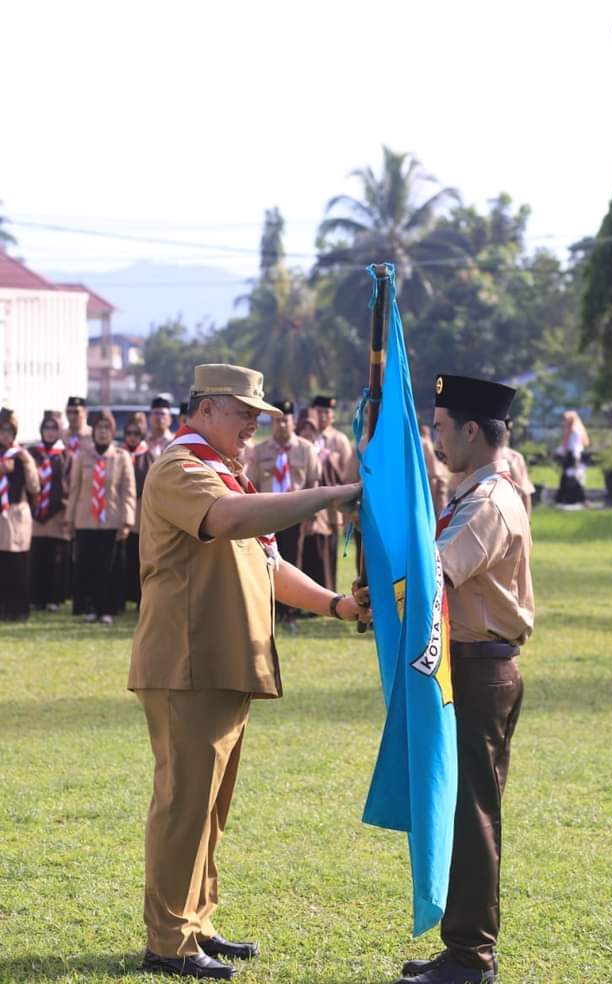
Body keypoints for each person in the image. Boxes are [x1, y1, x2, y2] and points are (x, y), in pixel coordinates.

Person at [127, 363, 368, 980]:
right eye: (244, 414)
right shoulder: (181, 468)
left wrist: (336, 605)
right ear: (204, 409)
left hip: (221, 661)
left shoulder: (222, 474)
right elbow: (231, 522)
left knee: (209, 805)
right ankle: (169, 941)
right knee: (185, 803)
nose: (253, 428)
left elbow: (271, 567)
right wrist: (333, 496)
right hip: (189, 661)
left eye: (259, 418)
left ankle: (196, 922)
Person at [394, 374, 534, 984]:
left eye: (442, 427)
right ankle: (465, 947)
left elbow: (436, 577)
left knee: (473, 813)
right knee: (462, 809)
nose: (436, 438)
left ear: (473, 431)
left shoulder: (487, 502)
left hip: (481, 671)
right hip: (468, 667)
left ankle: (471, 955)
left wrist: (383, 593)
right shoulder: (475, 494)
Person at [246, 400, 321, 629]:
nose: (281, 426)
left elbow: (313, 483)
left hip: (296, 515)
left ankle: (290, 614)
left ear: (293, 422)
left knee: (293, 563)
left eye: (285, 421)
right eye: (277, 421)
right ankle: (271, 610)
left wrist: (313, 516)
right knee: (267, 563)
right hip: (269, 517)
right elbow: (254, 484)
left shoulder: (306, 449)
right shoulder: (260, 450)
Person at [65, 409, 136, 625]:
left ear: (113, 431)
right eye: (99, 428)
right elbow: (75, 488)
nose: (103, 432)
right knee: (87, 566)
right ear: (93, 431)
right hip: (86, 520)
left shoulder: (121, 457)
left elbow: (128, 490)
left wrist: (127, 521)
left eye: (107, 428)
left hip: (111, 520)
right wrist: (70, 519)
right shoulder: (82, 456)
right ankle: (90, 608)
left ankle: (108, 610)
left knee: (109, 568)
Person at [29, 411, 73, 611]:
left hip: (58, 514)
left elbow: (72, 483)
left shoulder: (66, 455)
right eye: (47, 427)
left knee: (56, 560)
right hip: (35, 515)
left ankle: (53, 599)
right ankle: (36, 597)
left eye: (54, 428)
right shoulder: (32, 453)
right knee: (36, 557)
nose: (50, 432)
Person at [0, 408, 40, 621]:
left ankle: (18, 609)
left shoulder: (21, 454)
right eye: (2, 430)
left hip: (16, 514)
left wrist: (27, 464)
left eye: (9, 431)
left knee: (18, 563)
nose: (5, 435)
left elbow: (34, 487)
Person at [311, 395, 352, 588]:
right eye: (319, 412)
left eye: (327, 412)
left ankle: (329, 588)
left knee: (331, 547)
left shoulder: (339, 440)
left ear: (332, 416)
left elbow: (347, 475)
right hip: (310, 503)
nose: (323, 416)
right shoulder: (304, 435)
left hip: (332, 507)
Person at [295, 408, 334, 589]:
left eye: (311, 429)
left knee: (318, 555)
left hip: (320, 512)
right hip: (298, 508)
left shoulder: (324, 453)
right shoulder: (294, 450)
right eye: (304, 429)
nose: (307, 433)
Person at [122, 413, 153, 609]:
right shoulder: (118, 453)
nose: (132, 437)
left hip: (141, 518)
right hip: (121, 516)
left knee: (140, 561)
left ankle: (141, 600)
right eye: (128, 433)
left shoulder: (148, 455)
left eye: (136, 433)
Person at [554, 409, 590, 506]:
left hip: (574, 458)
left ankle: (581, 499)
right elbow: (565, 445)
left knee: (574, 478)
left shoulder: (575, 431)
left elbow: (576, 447)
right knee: (566, 479)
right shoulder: (569, 431)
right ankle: (562, 499)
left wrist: (576, 462)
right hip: (570, 457)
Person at [501, 420, 535, 516]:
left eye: (509, 429)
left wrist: (527, 522)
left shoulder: (516, 457)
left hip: (512, 512)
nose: (508, 433)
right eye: (506, 429)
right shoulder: (479, 457)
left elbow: (525, 492)